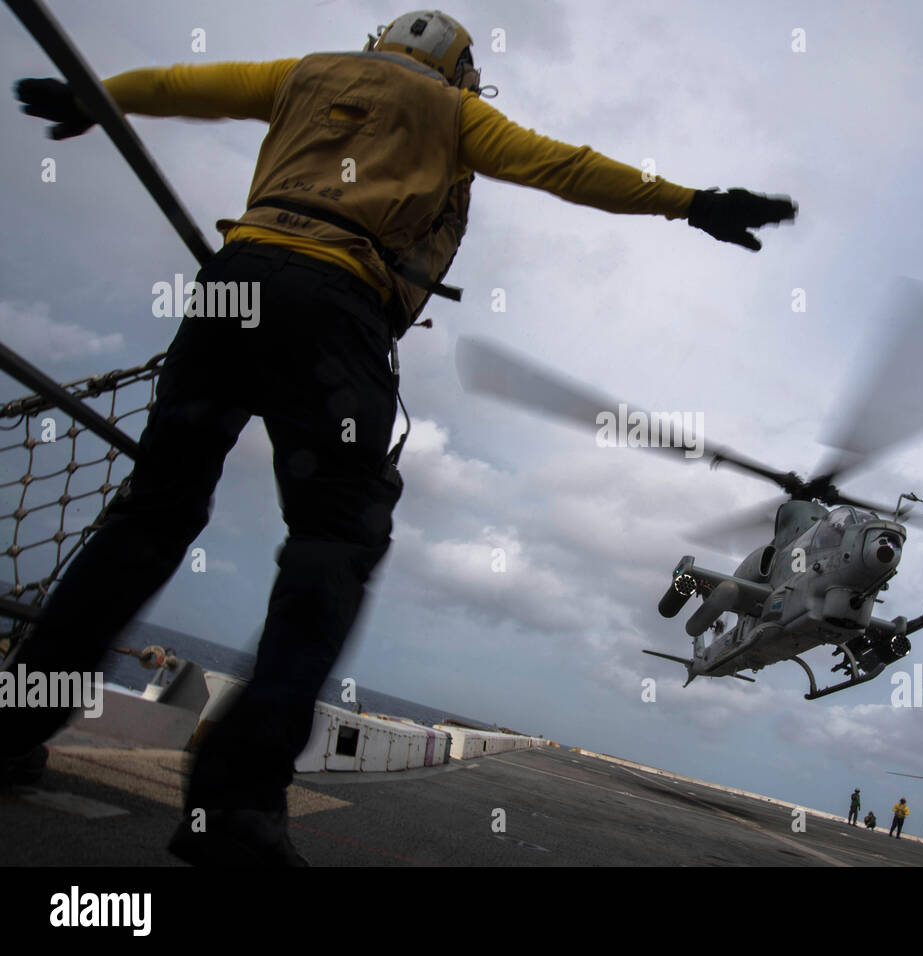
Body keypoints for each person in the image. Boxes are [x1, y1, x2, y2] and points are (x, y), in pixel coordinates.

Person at [0, 10, 797, 865]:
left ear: (380, 44)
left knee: (152, 514)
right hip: (334, 307)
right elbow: (565, 167)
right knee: (334, 538)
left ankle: (14, 725)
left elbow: (185, 86)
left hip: (233, 285)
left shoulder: (303, 72)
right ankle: (234, 799)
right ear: (460, 73)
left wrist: (95, 96)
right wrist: (691, 203)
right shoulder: (455, 113)